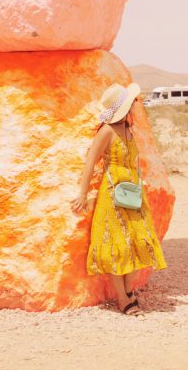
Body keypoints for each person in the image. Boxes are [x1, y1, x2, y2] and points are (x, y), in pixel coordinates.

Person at [71, 82, 167, 316]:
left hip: (133, 195)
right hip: (113, 195)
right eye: (132, 103)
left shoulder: (128, 130)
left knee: (139, 241)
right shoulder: (107, 131)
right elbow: (91, 161)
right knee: (116, 246)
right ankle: (123, 298)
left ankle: (127, 289)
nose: (136, 106)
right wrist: (83, 194)